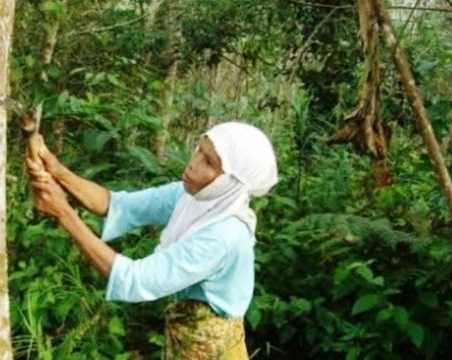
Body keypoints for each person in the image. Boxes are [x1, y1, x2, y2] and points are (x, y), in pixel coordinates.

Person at [26, 121, 278, 359]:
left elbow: (136, 280)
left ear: (230, 183)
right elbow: (118, 204)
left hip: (213, 349)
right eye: (199, 149)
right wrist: (57, 171)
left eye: (209, 162)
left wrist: (63, 212)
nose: (193, 164)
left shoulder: (223, 235)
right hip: (189, 337)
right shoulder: (193, 196)